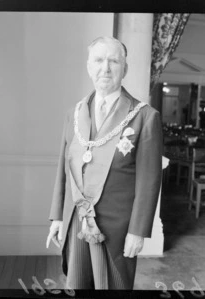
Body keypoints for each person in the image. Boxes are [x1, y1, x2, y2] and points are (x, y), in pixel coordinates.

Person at [46, 36, 162, 290]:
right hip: (77, 220)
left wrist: (138, 231)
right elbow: (64, 168)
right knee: (76, 285)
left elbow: (149, 181)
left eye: (114, 61)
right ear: (89, 67)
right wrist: (57, 217)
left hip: (117, 228)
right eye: (98, 60)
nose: (105, 68)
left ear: (125, 69)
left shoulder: (145, 117)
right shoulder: (74, 114)